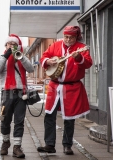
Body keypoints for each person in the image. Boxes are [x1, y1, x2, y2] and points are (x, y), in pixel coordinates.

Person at [37, 26, 92, 155]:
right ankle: (49, 144)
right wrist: (48, 61)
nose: (68, 39)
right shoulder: (55, 45)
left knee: (69, 118)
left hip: (72, 87)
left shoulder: (80, 47)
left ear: (76, 37)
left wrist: (79, 58)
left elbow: (88, 63)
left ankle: (67, 145)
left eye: (71, 37)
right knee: (49, 115)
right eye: (66, 36)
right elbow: (43, 57)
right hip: (54, 86)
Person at [0, 34, 34, 158]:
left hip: (21, 94)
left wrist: (21, 58)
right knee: (5, 120)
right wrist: (6, 56)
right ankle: (6, 142)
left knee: (19, 122)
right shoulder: (1, 58)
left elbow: (31, 69)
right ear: (5, 46)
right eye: (9, 44)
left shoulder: (22, 58)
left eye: (14, 44)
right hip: (7, 93)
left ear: (18, 46)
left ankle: (17, 147)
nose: (11, 46)